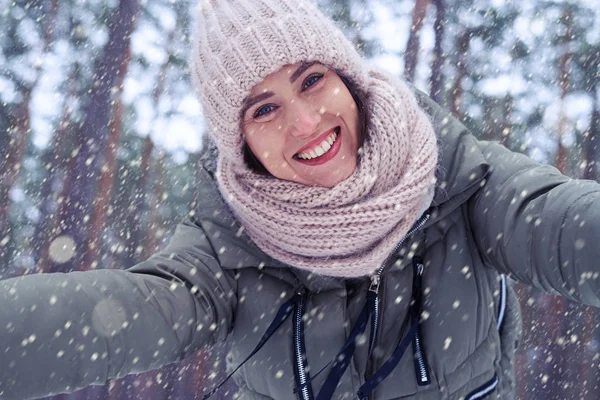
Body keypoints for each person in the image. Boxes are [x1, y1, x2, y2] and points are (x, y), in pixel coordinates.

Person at [1, 0, 599, 399]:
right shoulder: (225, 245)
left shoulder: (462, 176)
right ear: (242, 145)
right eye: (264, 109)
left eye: (312, 79)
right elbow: (128, 311)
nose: (306, 121)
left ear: (348, 80)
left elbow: (560, 223)